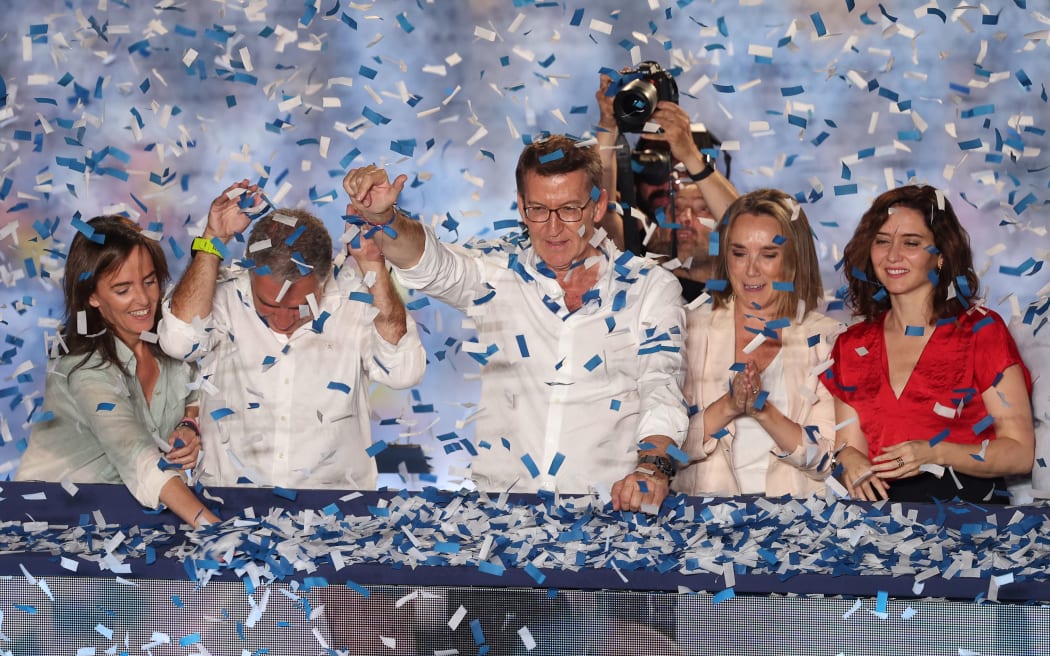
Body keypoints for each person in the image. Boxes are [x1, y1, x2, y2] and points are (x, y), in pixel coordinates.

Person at [342, 134, 688, 512]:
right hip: (499, 523)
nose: (553, 228)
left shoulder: (650, 288)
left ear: (598, 205)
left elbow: (661, 385)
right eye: (539, 209)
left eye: (570, 209)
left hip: (608, 517)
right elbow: (429, 263)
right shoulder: (495, 272)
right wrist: (385, 218)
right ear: (521, 207)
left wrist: (652, 468)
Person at [157, 181, 426, 489]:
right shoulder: (226, 293)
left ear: (324, 282)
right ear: (250, 274)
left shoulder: (356, 296)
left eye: (299, 308)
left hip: (336, 510)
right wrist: (213, 239)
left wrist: (373, 265)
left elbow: (404, 372)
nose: (283, 320)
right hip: (228, 502)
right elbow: (178, 342)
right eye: (268, 305)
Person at [822, 185, 1034, 503]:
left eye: (911, 242)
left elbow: (1020, 452)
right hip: (876, 524)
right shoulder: (851, 345)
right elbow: (848, 445)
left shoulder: (981, 330)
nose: (893, 255)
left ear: (941, 256)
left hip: (970, 516)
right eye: (882, 241)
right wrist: (848, 460)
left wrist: (937, 452)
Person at [15, 216, 218, 528]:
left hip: (129, 524)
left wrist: (188, 423)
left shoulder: (170, 344)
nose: (143, 300)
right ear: (92, 295)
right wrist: (218, 531)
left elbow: (198, 388)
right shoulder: (82, 369)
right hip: (46, 529)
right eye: (122, 289)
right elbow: (141, 459)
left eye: (149, 282)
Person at [672, 189, 840, 497]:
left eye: (768, 255)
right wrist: (729, 406)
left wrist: (763, 410)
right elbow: (666, 450)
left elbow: (830, 461)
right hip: (701, 527)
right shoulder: (687, 328)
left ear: (794, 258)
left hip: (798, 530)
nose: (751, 270)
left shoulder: (828, 339)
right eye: (739, 253)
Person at [594, 71, 739, 301]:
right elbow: (602, 212)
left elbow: (743, 221)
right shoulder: (636, 262)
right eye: (675, 206)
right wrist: (608, 126)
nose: (685, 218)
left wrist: (690, 154)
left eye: (703, 208)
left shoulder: (747, 285)